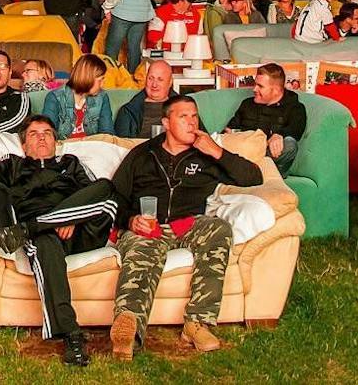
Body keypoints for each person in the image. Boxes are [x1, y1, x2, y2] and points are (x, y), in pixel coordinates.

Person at [0, 115, 116, 366]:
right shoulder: (13, 165)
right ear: (23, 145)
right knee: (44, 245)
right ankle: (71, 335)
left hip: (79, 230)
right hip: (44, 238)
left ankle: (26, 229)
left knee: (106, 188)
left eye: (47, 133)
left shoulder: (71, 163)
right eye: (33, 134)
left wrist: (71, 218)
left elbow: (93, 194)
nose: (42, 137)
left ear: (56, 142)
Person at [108, 93, 264, 360]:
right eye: (184, 117)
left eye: (194, 116)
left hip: (187, 224)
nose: (192, 123)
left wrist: (217, 151)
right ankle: (128, 327)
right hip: (148, 226)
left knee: (219, 229)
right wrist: (130, 220)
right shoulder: (142, 155)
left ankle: (197, 323)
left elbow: (254, 177)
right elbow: (114, 197)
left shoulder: (206, 155)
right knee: (141, 252)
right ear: (167, 123)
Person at [228, 62, 306, 165]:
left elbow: (295, 130)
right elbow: (230, 129)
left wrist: (279, 135)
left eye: (260, 86)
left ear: (276, 90)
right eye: (255, 84)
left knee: (289, 144)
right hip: (242, 153)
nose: (254, 89)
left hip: (268, 162)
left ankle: (250, 169)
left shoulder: (295, 108)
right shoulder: (247, 104)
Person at [42, 53, 114, 139]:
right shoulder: (54, 98)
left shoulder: (102, 97)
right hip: (64, 149)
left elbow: (107, 135)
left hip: (93, 149)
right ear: (87, 78)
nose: (102, 85)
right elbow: (48, 136)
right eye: (100, 80)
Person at [113, 58, 176, 139]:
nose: (154, 85)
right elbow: (121, 145)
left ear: (170, 82)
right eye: (151, 78)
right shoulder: (128, 111)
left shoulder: (185, 109)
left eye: (160, 79)